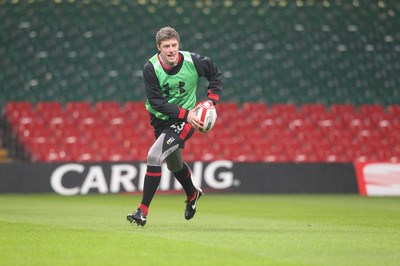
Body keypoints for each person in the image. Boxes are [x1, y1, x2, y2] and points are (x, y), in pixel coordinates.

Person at [127, 26, 223, 226]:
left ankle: (142, 211)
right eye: (166, 46)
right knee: (174, 165)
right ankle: (192, 194)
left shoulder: (193, 61)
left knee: (154, 156)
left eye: (174, 45)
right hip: (161, 119)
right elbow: (156, 102)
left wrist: (211, 100)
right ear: (158, 48)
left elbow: (214, 72)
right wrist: (185, 114)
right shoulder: (151, 68)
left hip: (185, 120)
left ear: (178, 44)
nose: (171, 50)